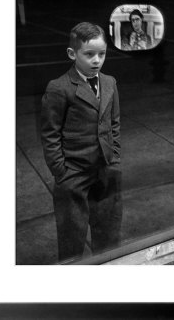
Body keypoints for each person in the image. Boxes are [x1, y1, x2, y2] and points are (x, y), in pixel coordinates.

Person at [41, 22, 121, 262]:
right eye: (89, 54)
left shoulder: (110, 83)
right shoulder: (59, 88)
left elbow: (114, 121)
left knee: (108, 229)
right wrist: (61, 171)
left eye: (102, 54)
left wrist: (114, 154)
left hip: (105, 166)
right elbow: (50, 133)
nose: (96, 60)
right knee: (71, 233)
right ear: (72, 54)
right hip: (73, 172)